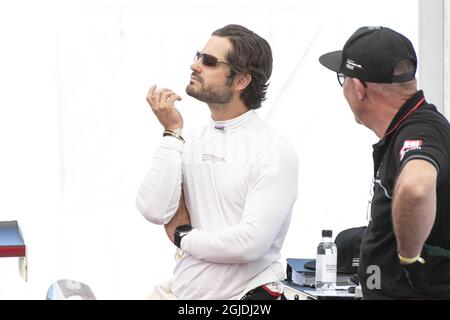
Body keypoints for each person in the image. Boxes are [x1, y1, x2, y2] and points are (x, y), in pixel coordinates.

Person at [136, 24, 298, 300]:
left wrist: (184, 238)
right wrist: (172, 132)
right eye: (199, 55)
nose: (195, 65)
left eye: (208, 61)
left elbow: (250, 244)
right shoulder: (189, 140)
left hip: (248, 298)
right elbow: (152, 209)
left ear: (241, 81)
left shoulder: (274, 149)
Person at [319, 26, 450, 299]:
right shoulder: (407, 127)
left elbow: (416, 188)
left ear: (358, 88)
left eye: (343, 78)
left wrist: (408, 256)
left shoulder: (420, 130)